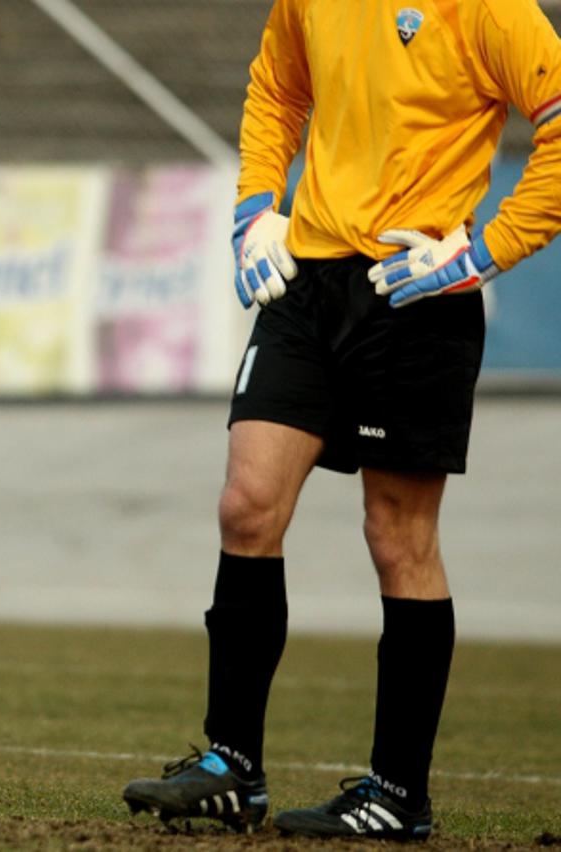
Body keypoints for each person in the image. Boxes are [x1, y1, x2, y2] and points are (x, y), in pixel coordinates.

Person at [122, 0, 561, 841]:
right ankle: (231, 768)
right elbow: (276, 89)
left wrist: (488, 248)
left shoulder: (492, 8)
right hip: (308, 282)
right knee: (247, 503)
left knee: (398, 536)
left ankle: (399, 793)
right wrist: (256, 205)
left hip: (417, 287)